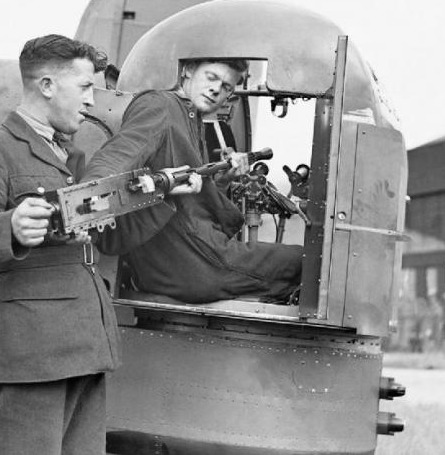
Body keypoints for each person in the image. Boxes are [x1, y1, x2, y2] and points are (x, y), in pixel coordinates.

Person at [0, 35, 121, 455]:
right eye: (85, 88)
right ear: (47, 86)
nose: (92, 101)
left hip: (84, 347)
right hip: (32, 357)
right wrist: (12, 227)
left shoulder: (66, 155)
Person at [82, 59, 303, 304]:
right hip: (191, 265)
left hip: (197, 255)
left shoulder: (190, 117)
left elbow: (192, 205)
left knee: (301, 265)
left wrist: (221, 181)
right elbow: (117, 157)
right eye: (211, 77)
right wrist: (81, 204)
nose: (217, 90)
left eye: (227, 87)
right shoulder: (160, 106)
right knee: (308, 263)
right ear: (187, 70)